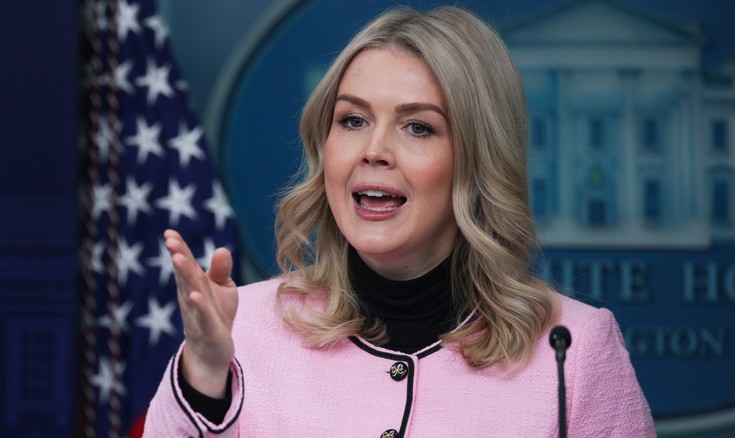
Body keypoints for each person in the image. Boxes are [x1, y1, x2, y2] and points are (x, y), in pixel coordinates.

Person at [144, 5, 655, 437]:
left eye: (417, 126)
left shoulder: (574, 348)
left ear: (477, 159)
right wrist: (204, 377)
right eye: (353, 120)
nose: (374, 150)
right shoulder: (240, 331)